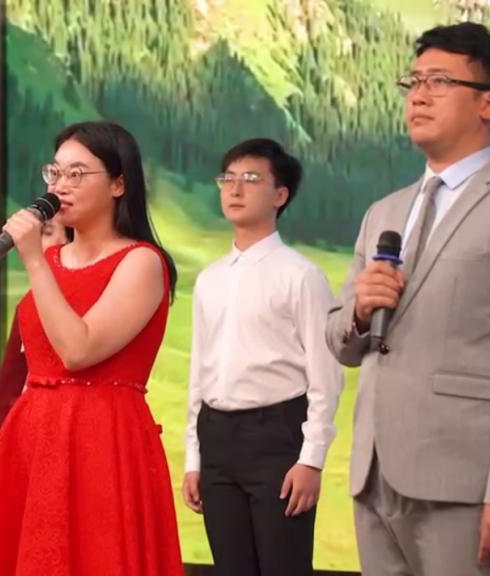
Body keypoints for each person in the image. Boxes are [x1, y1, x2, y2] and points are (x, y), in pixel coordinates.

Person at [326, 22, 490, 574]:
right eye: (412, 81)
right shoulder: (384, 212)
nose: (418, 95)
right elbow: (339, 342)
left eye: (439, 81)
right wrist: (359, 312)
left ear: (488, 103)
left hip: (466, 486)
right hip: (374, 477)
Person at [0, 121, 183, 575]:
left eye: (77, 174)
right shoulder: (52, 260)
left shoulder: (142, 262)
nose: (60, 185)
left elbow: (78, 350)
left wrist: (33, 260)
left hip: (103, 441)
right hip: (35, 436)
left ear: (119, 183)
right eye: (55, 173)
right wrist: (42, 260)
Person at [182, 139, 343, 575]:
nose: (235, 189)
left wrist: (311, 459)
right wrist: (194, 459)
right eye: (227, 178)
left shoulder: (302, 276)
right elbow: (200, 372)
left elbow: (325, 376)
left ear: (280, 195)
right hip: (217, 437)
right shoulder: (210, 280)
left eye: (251, 179)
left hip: (277, 436)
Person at [0, 217, 69, 460]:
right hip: (25, 441)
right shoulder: (28, 306)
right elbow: (10, 384)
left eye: (47, 232)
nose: (32, 241)